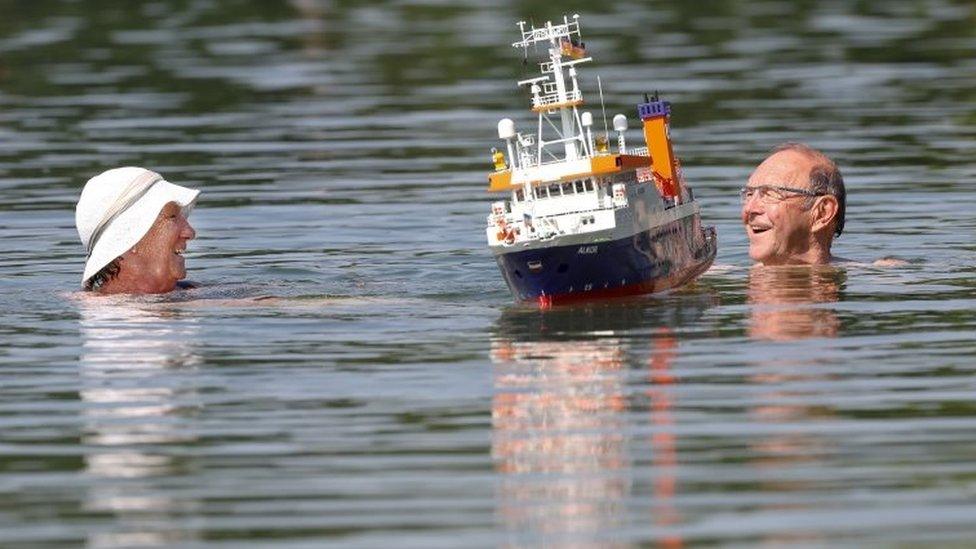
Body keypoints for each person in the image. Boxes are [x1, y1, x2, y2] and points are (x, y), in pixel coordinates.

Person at [75, 167, 199, 294]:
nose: (190, 232)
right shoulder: (104, 309)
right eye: (172, 216)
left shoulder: (190, 292)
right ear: (129, 238)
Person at [741, 142, 846, 265]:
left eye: (770, 193)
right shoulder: (720, 272)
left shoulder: (869, 276)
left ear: (822, 213)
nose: (749, 209)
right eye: (749, 194)